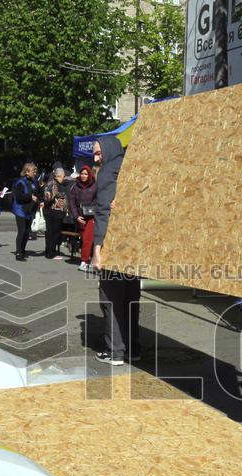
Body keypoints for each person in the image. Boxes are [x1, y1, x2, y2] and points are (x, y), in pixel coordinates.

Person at [91, 137, 140, 366]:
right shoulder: (134, 167)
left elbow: (102, 213)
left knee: (111, 299)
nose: (96, 158)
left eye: (98, 153)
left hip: (114, 245)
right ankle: (133, 349)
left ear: (109, 151)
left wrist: (97, 250)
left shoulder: (107, 172)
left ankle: (115, 352)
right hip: (134, 246)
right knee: (131, 298)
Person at [68, 165, 97, 271]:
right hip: (80, 217)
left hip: (92, 217)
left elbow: (99, 201)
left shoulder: (95, 186)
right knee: (85, 239)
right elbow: (72, 203)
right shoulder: (75, 187)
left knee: (88, 240)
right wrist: (76, 216)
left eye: (86, 174)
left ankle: (84, 261)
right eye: (82, 174)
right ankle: (89, 259)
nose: (83, 176)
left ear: (89, 175)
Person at [11, 162, 39, 261]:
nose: (35, 173)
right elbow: (18, 197)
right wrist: (30, 197)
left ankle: (23, 250)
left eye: (35, 171)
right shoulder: (20, 182)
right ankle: (19, 252)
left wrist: (39, 201)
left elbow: (37, 194)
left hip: (29, 210)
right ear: (26, 172)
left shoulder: (34, 182)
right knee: (22, 231)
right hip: (20, 209)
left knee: (27, 232)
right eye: (33, 171)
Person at [42, 167, 69, 260]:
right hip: (53, 212)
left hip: (55, 212)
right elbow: (48, 198)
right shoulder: (53, 184)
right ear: (59, 176)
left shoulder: (55, 183)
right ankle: (50, 253)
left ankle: (50, 251)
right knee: (53, 233)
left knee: (54, 233)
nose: (64, 178)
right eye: (63, 177)